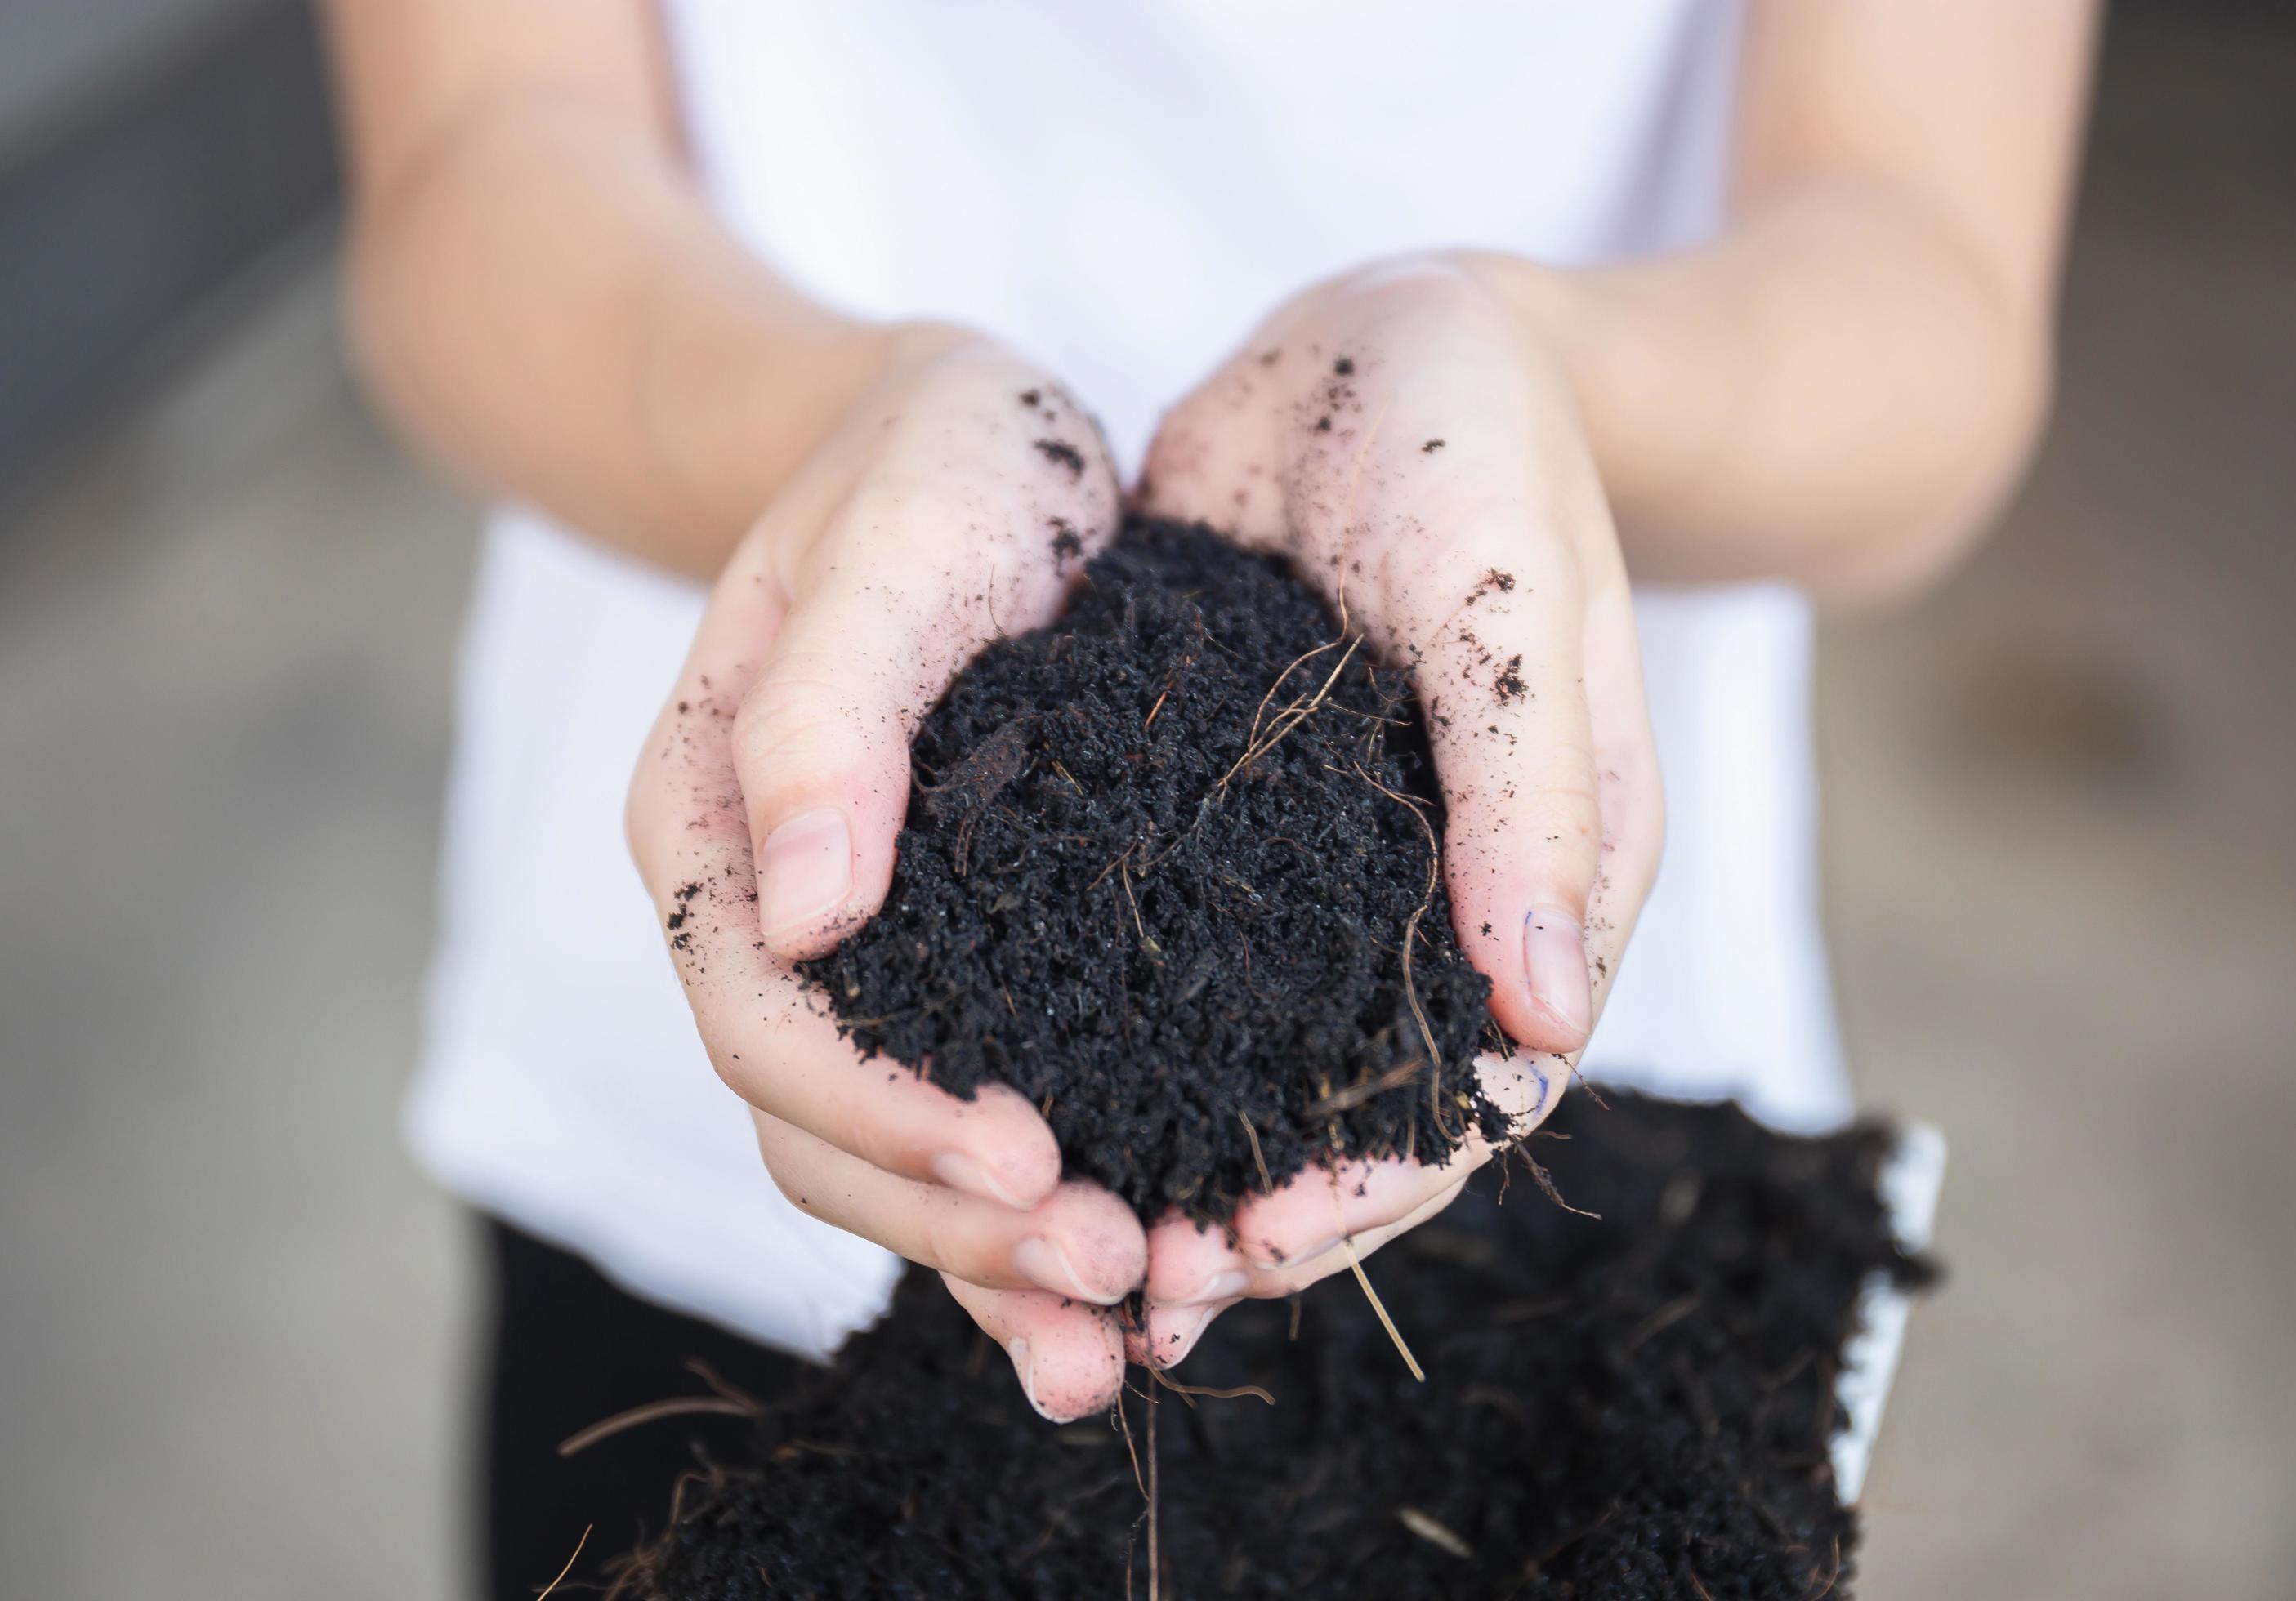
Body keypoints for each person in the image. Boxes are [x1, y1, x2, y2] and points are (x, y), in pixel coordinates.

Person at [320, 0, 2095, 1590]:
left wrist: (1533, 367)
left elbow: (1929, 271)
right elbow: (476, 167)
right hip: (723, 1074)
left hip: (1557, 1192)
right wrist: (829, 422)